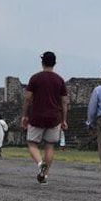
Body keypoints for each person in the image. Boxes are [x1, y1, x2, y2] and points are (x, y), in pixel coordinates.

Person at [22, 51, 68, 184]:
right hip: (54, 117)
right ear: (54, 63)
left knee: (32, 143)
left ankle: (40, 164)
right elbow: (64, 101)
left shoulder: (35, 78)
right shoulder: (59, 80)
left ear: (42, 62)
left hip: (37, 116)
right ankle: (45, 175)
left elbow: (27, 98)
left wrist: (24, 115)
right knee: (49, 146)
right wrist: (64, 119)